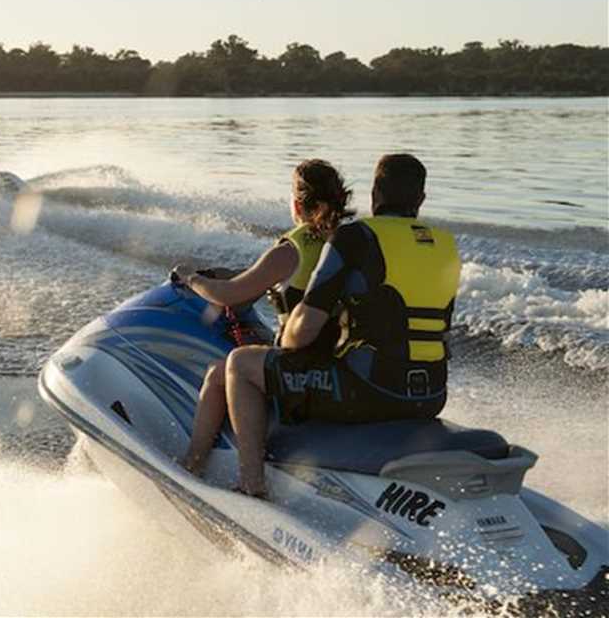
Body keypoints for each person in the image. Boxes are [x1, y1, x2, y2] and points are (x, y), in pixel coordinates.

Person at [222, 153, 462, 497]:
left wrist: (283, 350)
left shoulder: (356, 238)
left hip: (369, 391)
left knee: (241, 364)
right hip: (432, 395)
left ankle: (251, 484)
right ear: (421, 199)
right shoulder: (446, 246)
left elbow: (301, 331)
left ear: (375, 193)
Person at [174, 159, 354, 479]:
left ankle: (211, 467)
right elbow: (258, 280)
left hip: (302, 365)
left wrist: (192, 279)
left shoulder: (292, 248)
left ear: (297, 203)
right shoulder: (351, 240)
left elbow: (230, 295)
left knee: (221, 371)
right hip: (342, 362)